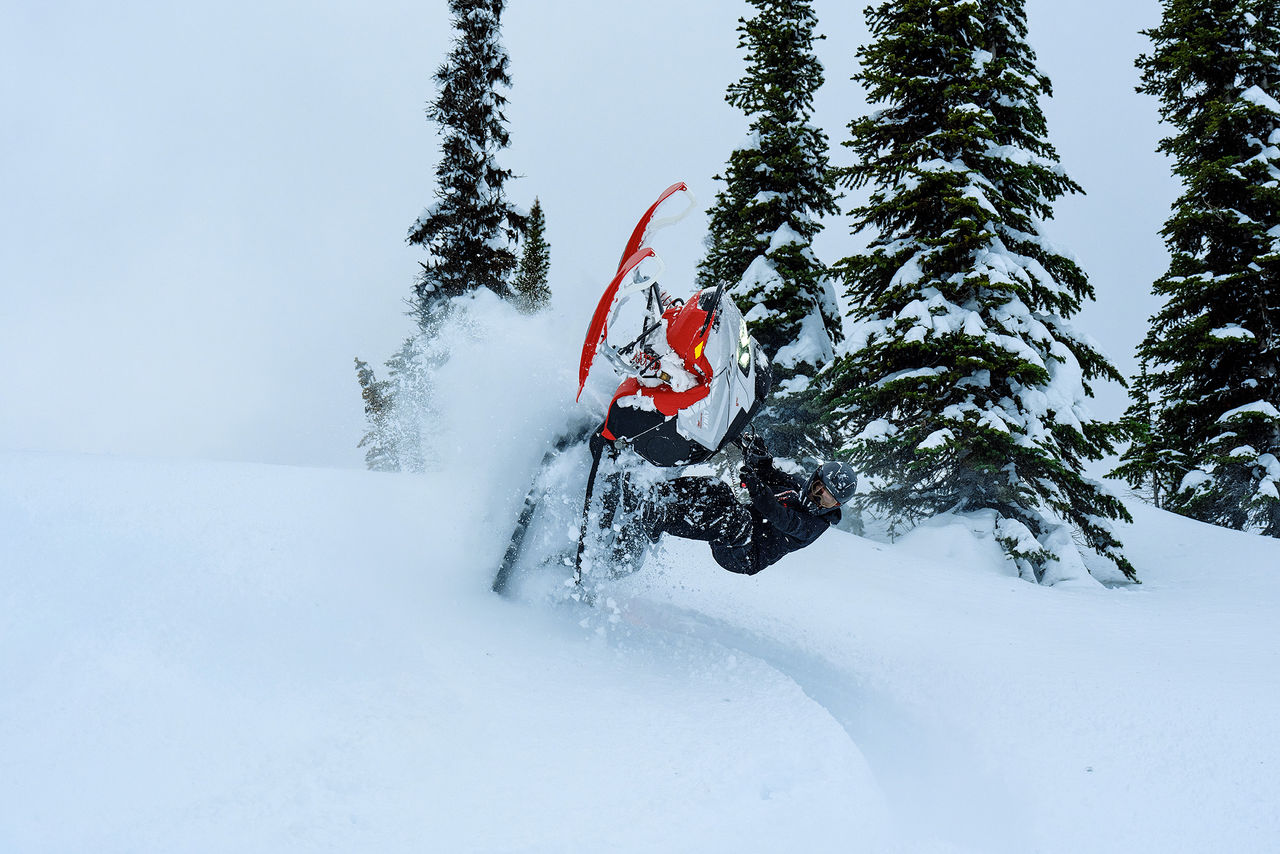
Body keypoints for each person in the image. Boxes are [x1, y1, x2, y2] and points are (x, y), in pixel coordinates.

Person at [613, 434, 857, 576]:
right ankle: (656, 494)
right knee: (716, 488)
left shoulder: (814, 525)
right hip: (742, 523)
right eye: (818, 487)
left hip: (744, 554)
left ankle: (657, 518)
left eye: (827, 497)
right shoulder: (797, 485)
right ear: (814, 479)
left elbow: (779, 516)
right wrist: (757, 455)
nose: (818, 495)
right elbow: (769, 473)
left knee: (736, 520)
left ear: (835, 505)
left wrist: (758, 490)